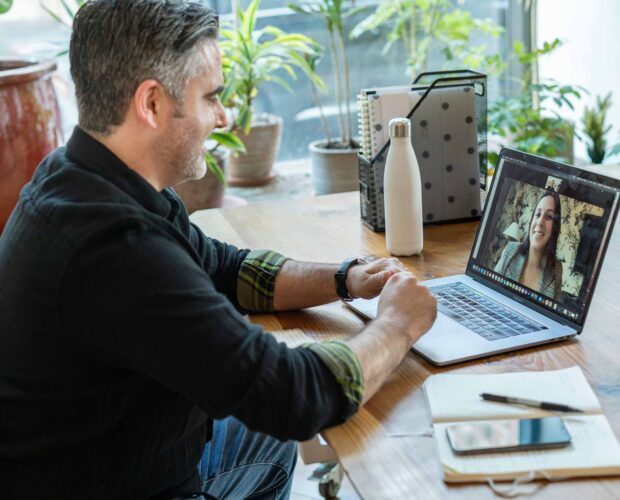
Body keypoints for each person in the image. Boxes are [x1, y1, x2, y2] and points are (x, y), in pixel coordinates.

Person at [0, 1, 437, 498]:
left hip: (112, 454)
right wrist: (399, 324)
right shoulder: (116, 250)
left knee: (265, 430)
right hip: (123, 485)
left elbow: (226, 268)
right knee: (294, 418)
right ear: (152, 103)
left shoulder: (82, 175)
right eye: (210, 97)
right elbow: (296, 396)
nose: (223, 115)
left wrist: (345, 277)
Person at [494, 189, 563, 299]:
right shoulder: (511, 249)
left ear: (555, 227)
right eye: (538, 214)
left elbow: (552, 310)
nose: (540, 222)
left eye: (549, 216)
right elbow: (490, 287)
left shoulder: (557, 269)